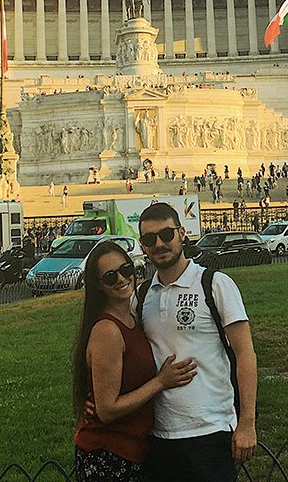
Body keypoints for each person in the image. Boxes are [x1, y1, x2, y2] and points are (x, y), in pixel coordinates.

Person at [136, 203, 258, 481]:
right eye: (149, 239)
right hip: (159, 434)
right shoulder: (143, 295)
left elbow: (245, 354)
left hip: (212, 431)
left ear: (182, 233)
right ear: (142, 246)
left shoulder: (215, 284)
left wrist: (247, 423)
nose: (159, 244)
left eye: (166, 234)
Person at [73, 241, 197, 481]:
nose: (121, 279)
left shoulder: (134, 316)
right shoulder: (107, 330)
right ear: (98, 285)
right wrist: (161, 382)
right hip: (107, 454)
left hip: (133, 451)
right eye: (110, 277)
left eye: (126, 269)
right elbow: (107, 410)